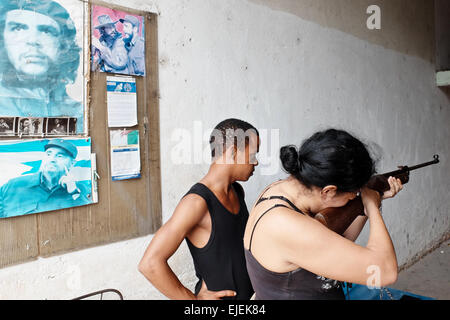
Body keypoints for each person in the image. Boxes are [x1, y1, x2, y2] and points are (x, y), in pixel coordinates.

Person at [243, 128, 403, 300]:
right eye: (353, 194)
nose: (353, 198)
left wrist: (365, 205)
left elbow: (335, 245)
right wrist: (372, 206)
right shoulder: (286, 225)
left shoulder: (281, 191)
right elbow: (385, 271)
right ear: (328, 191)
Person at [139, 119, 259, 300]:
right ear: (234, 153)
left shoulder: (236, 191)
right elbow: (149, 263)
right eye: (253, 155)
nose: (256, 163)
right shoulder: (196, 203)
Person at [0, 0, 84, 133]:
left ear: (63, 44)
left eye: (46, 31)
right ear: (3, 38)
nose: (33, 40)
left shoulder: (79, 113)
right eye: (18, 28)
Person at [0, 139, 91, 218]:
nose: (52, 159)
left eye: (59, 156)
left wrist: (73, 193)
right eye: (48, 154)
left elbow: (88, 218)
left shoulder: (81, 191)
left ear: (72, 163)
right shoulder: (14, 185)